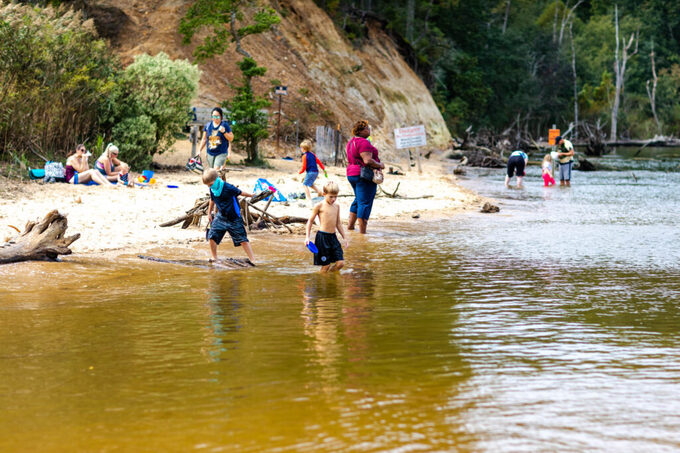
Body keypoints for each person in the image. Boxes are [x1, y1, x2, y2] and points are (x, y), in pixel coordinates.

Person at [202, 168, 255, 264]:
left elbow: (240, 192)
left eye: (210, 184)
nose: (209, 187)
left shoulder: (228, 187)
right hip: (221, 216)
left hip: (234, 218)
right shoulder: (213, 189)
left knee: (242, 240)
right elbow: (212, 200)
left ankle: (253, 260)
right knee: (212, 236)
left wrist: (251, 195)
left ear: (216, 179)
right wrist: (209, 213)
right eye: (207, 185)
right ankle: (214, 258)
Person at [346, 120, 384, 234]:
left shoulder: (351, 142)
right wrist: (380, 165)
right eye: (367, 128)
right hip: (363, 175)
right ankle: (363, 233)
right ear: (361, 130)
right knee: (365, 203)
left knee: (358, 200)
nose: (369, 130)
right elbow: (367, 161)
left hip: (351, 173)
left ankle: (350, 227)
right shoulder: (363, 142)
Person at [305, 181, 348, 273]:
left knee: (340, 263)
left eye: (335, 196)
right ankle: (322, 281)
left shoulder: (337, 206)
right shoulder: (319, 205)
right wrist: (307, 238)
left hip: (333, 237)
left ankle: (330, 277)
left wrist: (344, 237)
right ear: (324, 194)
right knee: (326, 266)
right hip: (322, 238)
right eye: (331, 196)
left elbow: (338, 223)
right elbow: (310, 221)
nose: (333, 199)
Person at [298, 139, 327, 205]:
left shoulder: (304, 156)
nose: (301, 149)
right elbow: (318, 161)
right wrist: (323, 168)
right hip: (316, 172)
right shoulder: (313, 154)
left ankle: (309, 199)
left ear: (304, 148)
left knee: (305, 185)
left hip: (310, 172)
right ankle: (319, 191)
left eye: (301, 148)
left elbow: (304, 166)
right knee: (310, 183)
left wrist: (300, 172)